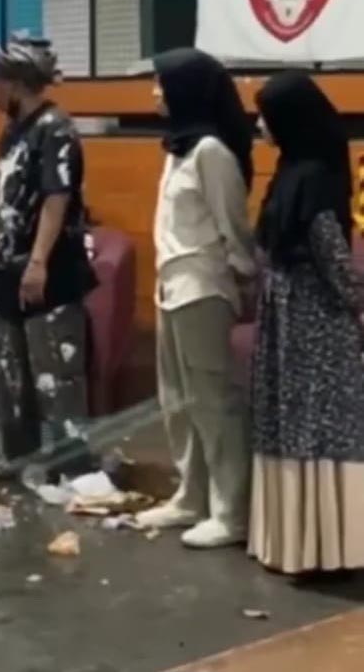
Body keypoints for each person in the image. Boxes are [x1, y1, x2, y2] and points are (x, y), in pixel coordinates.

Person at [135, 48, 255, 548]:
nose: (154, 92)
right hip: (170, 285)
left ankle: (231, 512)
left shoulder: (211, 152)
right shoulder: (179, 148)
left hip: (203, 287)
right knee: (177, 401)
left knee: (213, 401)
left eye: (161, 83)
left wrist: (243, 281)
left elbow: (233, 227)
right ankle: (192, 496)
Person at [0, 32, 95, 480]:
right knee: (8, 372)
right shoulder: (13, 130)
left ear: (15, 82)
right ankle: (19, 456)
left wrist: (38, 261)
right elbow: (8, 187)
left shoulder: (56, 128)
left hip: (49, 270)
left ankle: (71, 466)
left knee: (54, 373)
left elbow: (57, 197)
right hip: (8, 268)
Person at [250, 71, 364, 575]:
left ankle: (299, 544)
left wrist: (354, 300)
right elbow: (331, 253)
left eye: (266, 116)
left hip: (303, 311)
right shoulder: (308, 170)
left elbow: (328, 249)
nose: (260, 126)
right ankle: (321, 544)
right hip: (306, 310)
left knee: (309, 416)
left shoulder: (303, 175)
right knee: (314, 416)